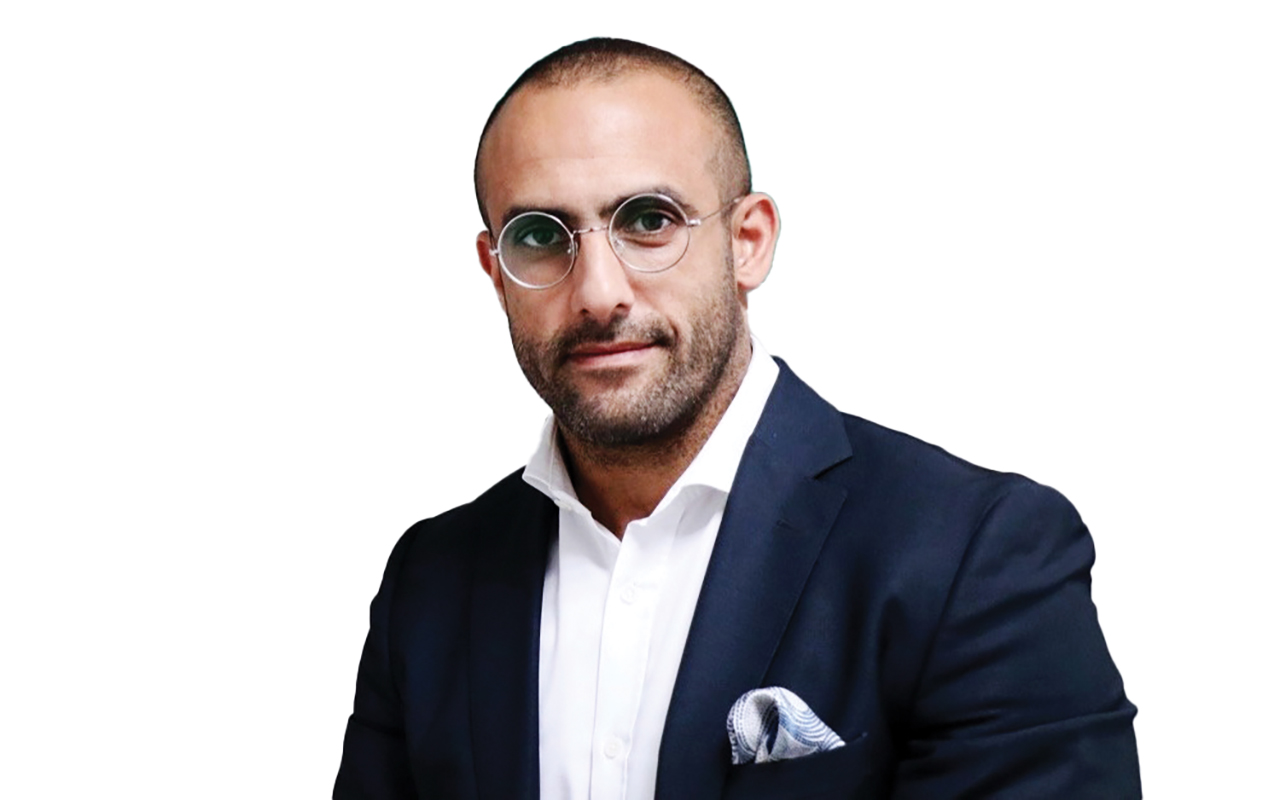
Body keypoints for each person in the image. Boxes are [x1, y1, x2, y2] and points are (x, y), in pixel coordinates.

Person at [334, 37, 1140, 799]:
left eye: (649, 221)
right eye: (541, 236)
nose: (598, 293)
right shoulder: (430, 581)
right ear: (496, 273)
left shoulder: (975, 553)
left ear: (748, 241)